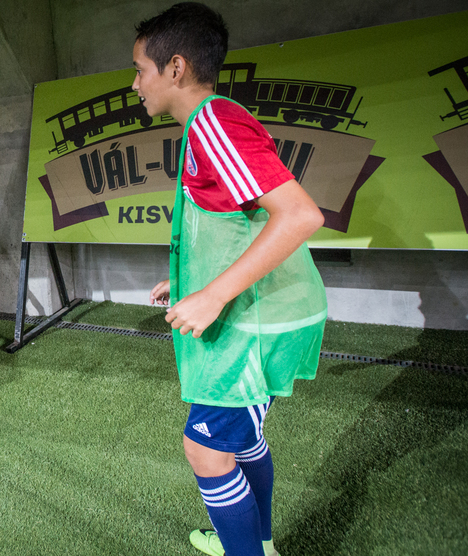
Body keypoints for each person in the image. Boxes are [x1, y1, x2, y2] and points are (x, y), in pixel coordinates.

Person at [136, 4, 327, 556]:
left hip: (257, 323)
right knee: (239, 444)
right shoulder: (207, 125)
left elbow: (300, 215)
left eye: (140, 71)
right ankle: (256, 542)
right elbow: (237, 224)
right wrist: (186, 280)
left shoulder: (214, 121)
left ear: (175, 68)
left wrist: (214, 295)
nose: (135, 85)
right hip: (261, 314)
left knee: (206, 451)